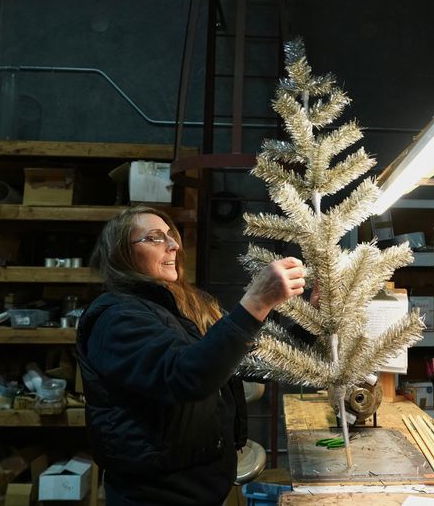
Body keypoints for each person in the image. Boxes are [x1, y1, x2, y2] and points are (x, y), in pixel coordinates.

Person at [76, 206, 305, 505]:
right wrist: (257, 302)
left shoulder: (182, 305)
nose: (173, 245)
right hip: (156, 498)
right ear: (122, 253)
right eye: (155, 238)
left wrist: (310, 324)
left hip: (202, 490)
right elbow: (186, 376)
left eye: (171, 236)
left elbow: (243, 360)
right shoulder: (117, 318)